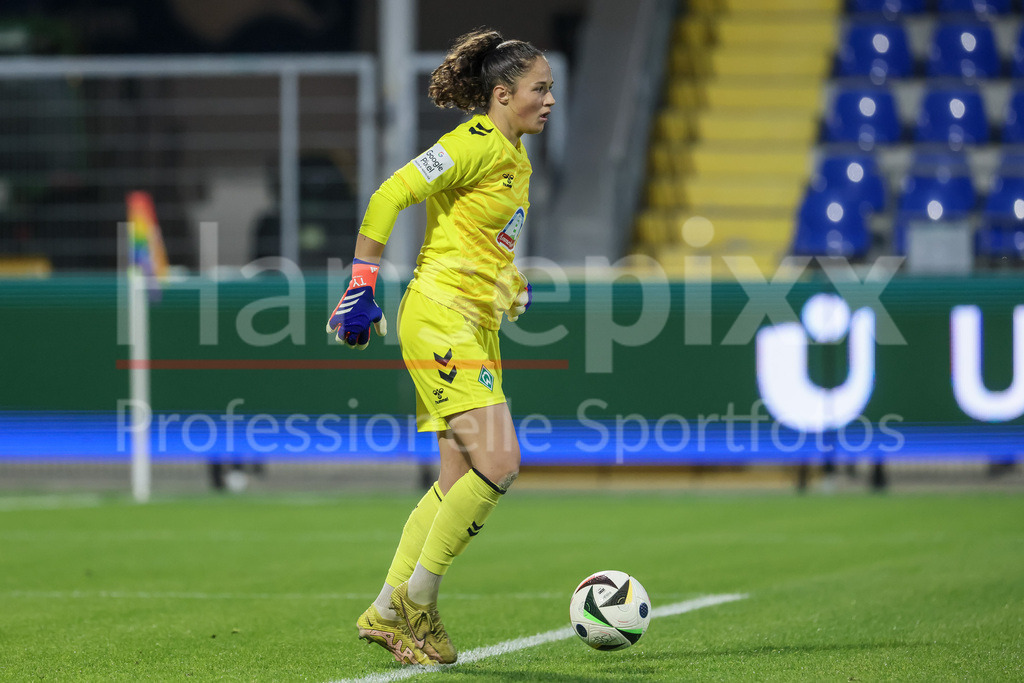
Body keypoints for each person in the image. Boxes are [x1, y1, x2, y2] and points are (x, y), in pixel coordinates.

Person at [326, 28, 555, 666]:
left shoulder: (514, 155)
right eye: (539, 89)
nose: (549, 100)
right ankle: (419, 600)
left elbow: (481, 239)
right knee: (500, 461)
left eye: (551, 89)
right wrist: (361, 283)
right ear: (502, 94)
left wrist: (510, 283)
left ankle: (385, 607)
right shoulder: (470, 143)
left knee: (456, 479)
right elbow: (389, 194)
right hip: (441, 318)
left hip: (475, 324)